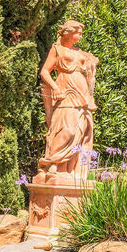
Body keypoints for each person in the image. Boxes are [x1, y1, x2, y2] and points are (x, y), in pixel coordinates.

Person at [36, 20, 98, 184]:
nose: (80, 35)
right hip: (66, 91)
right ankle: (52, 163)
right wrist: (55, 88)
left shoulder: (81, 53)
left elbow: (89, 72)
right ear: (68, 32)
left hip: (82, 94)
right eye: (78, 32)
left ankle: (70, 170)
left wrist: (92, 64)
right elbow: (44, 72)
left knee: (81, 131)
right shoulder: (57, 49)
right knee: (67, 129)